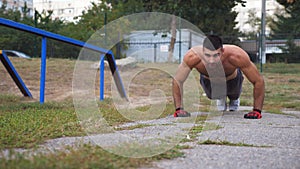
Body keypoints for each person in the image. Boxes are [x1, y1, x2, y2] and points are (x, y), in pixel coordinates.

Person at [172, 35, 265, 119]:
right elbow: (178, 80)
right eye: (207, 55)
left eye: (216, 55)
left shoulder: (236, 55)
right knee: (213, 96)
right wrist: (179, 109)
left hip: (232, 78)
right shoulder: (192, 57)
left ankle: (234, 99)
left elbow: (258, 81)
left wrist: (256, 110)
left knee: (234, 95)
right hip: (209, 80)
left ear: (222, 51)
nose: (211, 60)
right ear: (202, 51)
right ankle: (221, 97)